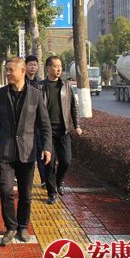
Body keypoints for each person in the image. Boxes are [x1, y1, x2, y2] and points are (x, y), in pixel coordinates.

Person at [0, 57, 52, 246]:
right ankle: (10, 227)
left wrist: (47, 147)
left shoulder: (35, 95)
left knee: (25, 194)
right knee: (5, 190)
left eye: (10, 70)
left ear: (22, 71)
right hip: (5, 152)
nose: (7, 73)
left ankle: (23, 226)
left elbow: (45, 125)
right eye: (6, 70)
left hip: (27, 152)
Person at [37, 55, 82, 205]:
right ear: (48, 68)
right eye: (55, 66)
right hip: (46, 132)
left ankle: (58, 181)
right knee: (49, 163)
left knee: (66, 160)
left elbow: (73, 106)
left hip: (64, 130)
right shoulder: (39, 87)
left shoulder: (66, 85)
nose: (58, 69)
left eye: (60, 66)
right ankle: (52, 193)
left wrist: (77, 125)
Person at [25, 55, 46, 187]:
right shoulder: (21, 82)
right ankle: (24, 176)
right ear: (25, 66)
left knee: (40, 149)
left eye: (34, 65)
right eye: (30, 64)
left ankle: (43, 178)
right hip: (25, 123)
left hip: (37, 123)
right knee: (25, 150)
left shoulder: (41, 83)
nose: (32, 67)